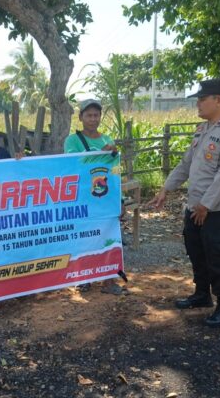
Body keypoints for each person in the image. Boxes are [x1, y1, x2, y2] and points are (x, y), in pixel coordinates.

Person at [149, 78, 220, 328]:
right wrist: (166, 188)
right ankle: (202, 294)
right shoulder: (202, 129)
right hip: (195, 206)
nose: (198, 105)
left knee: (218, 255)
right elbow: (186, 164)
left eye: (202, 100)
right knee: (196, 251)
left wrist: (206, 205)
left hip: (217, 209)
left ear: (218, 100)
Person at [63, 99, 124, 295]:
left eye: (96, 115)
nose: (92, 119)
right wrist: (101, 154)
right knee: (83, 238)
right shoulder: (72, 141)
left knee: (108, 237)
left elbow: (115, 173)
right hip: (82, 199)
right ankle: (83, 278)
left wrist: (119, 200)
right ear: (81, 117)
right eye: (88, 115)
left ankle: (109, 280)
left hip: (104, 198)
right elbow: (75, 164)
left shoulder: (108, 140)